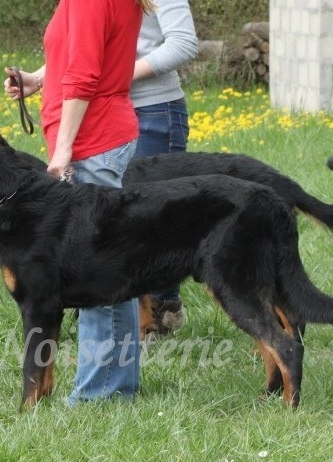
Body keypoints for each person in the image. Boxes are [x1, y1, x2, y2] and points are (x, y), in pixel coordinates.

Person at [5, 0, 155, 404]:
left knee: (97, 271)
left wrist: (63, 150)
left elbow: (86, 75)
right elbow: (76, 56)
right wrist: (37, 79)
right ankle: (116, 386)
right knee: (112, 269)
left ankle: (98, 394)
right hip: (100, 136)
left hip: (95, 142)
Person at [132, 0, 198, 334]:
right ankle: (127, 311)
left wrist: (119, 75)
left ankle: (162, 312)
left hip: (154, 111)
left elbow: (184, 43)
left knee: (160, 222)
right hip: (102, 111)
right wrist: (40, 78)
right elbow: (82, 46)